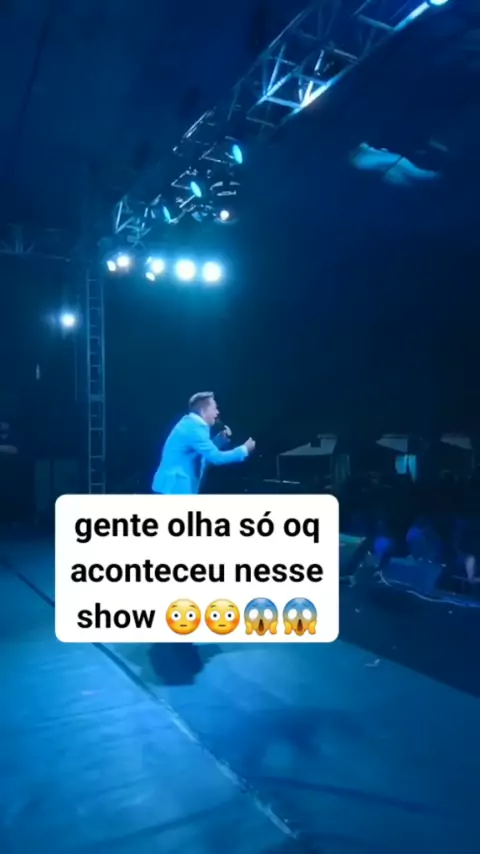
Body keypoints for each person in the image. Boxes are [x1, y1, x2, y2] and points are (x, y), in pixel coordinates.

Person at [152, 392, 255, 495]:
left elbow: (202, 453)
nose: (217, 412)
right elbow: (217, 458)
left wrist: (219, 440)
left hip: (173, 488)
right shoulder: (194, 428)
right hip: (173, 489)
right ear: (203, 411)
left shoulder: (191, 424)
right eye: (215, 408)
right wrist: (244, 450)